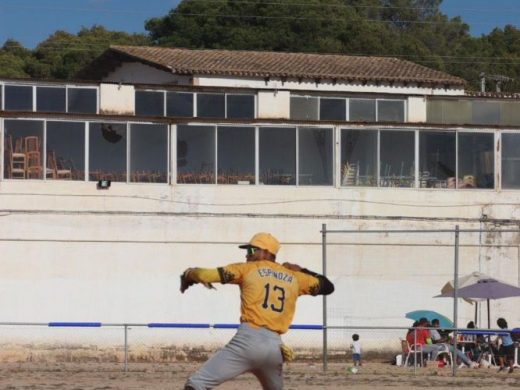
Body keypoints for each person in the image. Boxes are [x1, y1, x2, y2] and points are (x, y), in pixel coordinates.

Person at [179, 232, 335, 390]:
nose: (247, 255)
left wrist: (189, 274)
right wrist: (302, 269)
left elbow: (206, 275)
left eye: (252, 250)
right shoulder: (296, 277)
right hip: (275, 349)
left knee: (196, 384)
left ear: (267, 253)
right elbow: (328, 286)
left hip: (248, 342)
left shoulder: (247, 269)